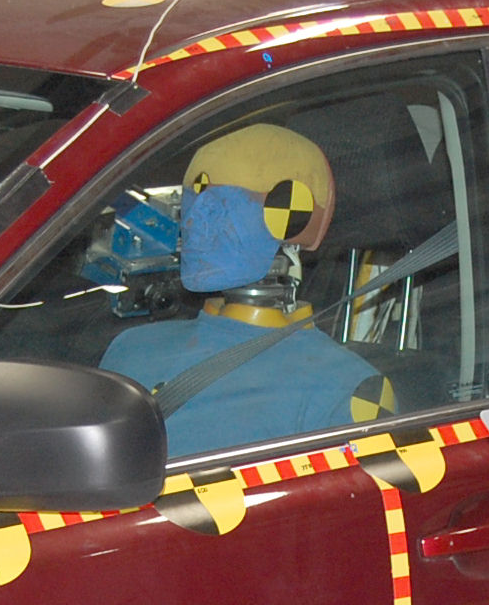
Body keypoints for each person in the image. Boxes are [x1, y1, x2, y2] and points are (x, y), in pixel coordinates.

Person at [102, 123, 379, 459]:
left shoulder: (345, 389)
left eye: (216, 209)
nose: (191, 224)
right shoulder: (130, 348)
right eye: (190, 206)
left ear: (292, 215)